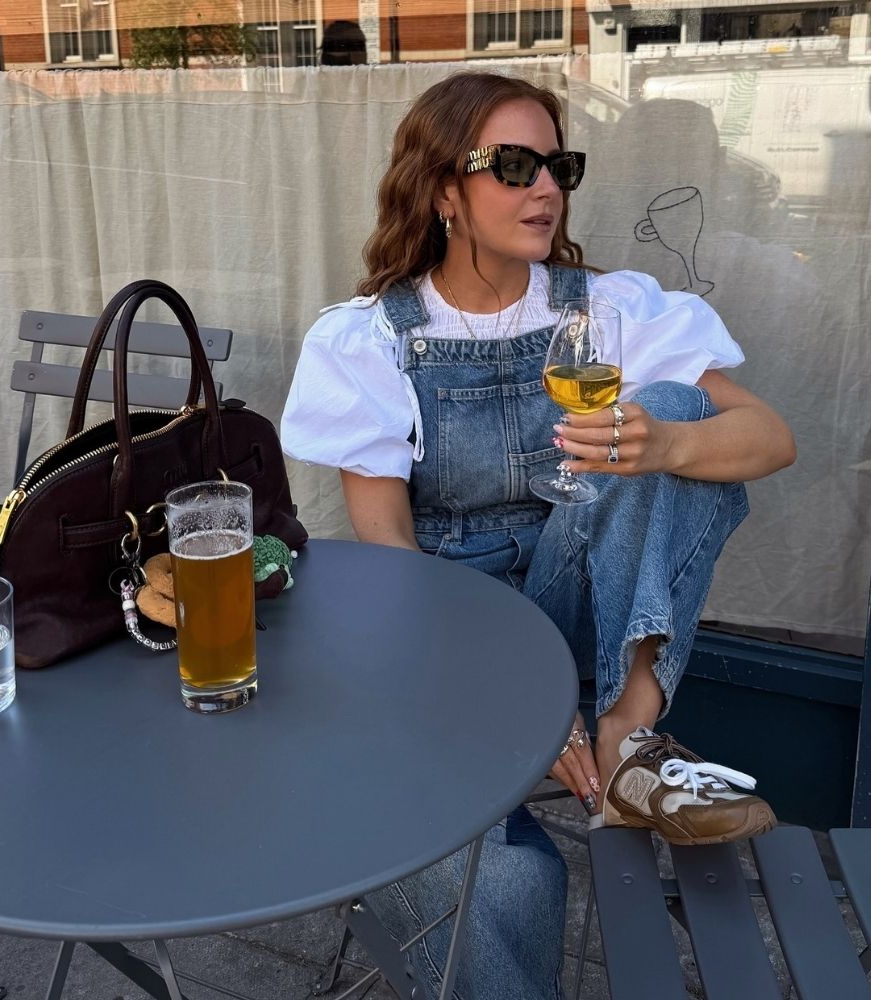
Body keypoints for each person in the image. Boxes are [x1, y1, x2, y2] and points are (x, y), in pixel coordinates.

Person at [282, 72, 795, 1000]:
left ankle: (628, 740)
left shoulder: (608, 310)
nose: (545, 187)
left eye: (557, 164)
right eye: (513, 165)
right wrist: (510, 692)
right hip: (452, 636)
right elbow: (392, 557)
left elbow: (770, 438)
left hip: (586, 614)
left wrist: (668, 441)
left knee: (672, 405)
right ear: (444, 190)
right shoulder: (371, 338)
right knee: (489, 868)